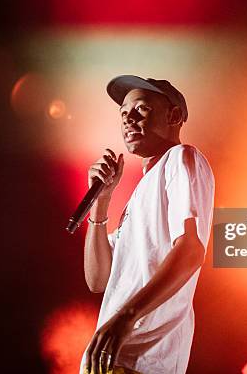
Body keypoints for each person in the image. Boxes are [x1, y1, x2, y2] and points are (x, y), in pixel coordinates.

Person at [80, 75, 215, 374]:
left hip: (144, 362)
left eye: (141, 109)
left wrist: (125, 319)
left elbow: (191, 250)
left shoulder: (181, 158)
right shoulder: (139, 193)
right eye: (123, 113)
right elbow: (98, 280)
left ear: (174, 115)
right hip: (111, 361)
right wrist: (102, 201)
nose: (128, 118)